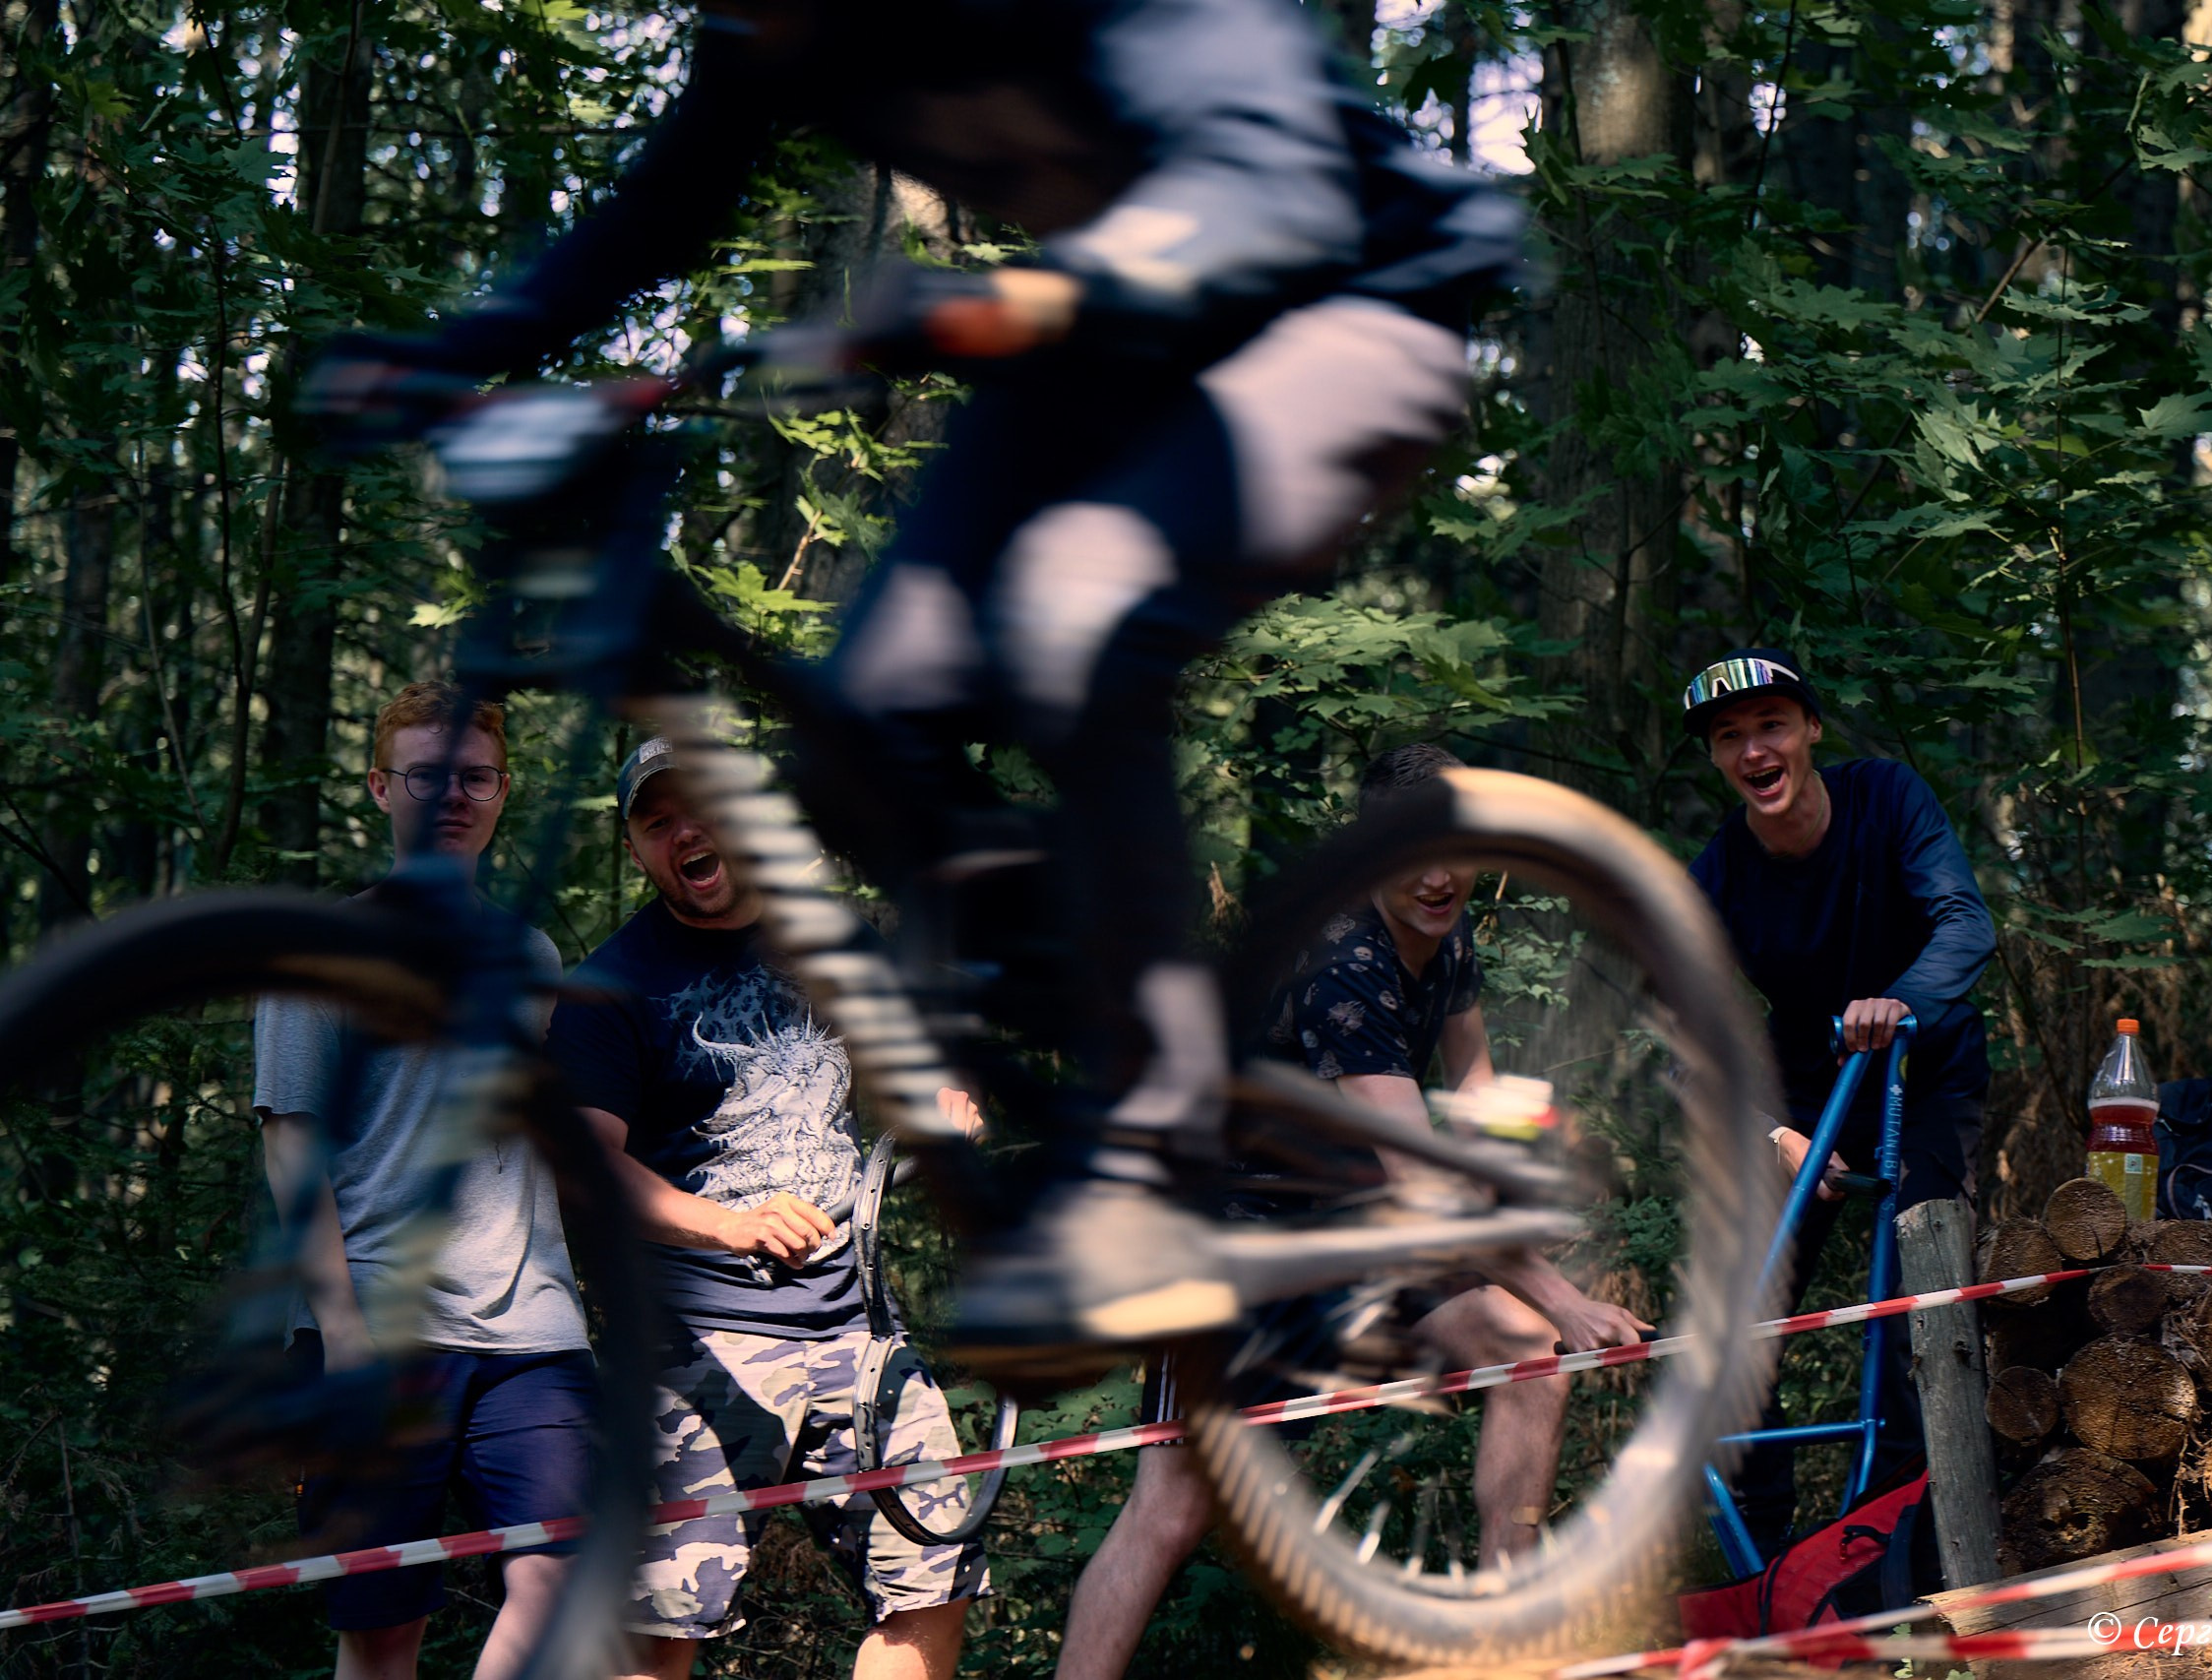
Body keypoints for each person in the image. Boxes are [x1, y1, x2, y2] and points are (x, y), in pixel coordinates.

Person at [308, 0, 1524, 1348]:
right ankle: (1084, 1037)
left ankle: (1156, 1146)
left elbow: (1261, 182)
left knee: (1076, 610)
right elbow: (648, 219)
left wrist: (1016, 297)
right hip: (1115, 349)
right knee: (857, 733)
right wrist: (436, 359)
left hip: (1352, 301)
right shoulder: (773, 34)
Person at [1053, 743, 1649, 1680]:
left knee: (1525, 1353)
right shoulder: (1341, 967)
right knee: (1170, 1509)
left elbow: (1478, 1092)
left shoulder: (1448, 938)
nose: (1441, 875)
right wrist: (1561, 1291)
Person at [543, 738, 989, 1680]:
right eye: (656, 820)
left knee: (934, 1578)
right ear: (635, 847)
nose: (685, 832)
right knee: (657, 1625)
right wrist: (729, 1225)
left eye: (700, 806)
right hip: (691, 1343)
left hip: (857, 1326)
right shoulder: (607, 988)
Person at [252, 681, 589, 1680]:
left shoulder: (534, 958)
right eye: (426, 775)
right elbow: (290, 1149)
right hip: (374, 1332)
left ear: (501, 792)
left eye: (475, 777)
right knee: (384, 1630)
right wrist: (345, 1339)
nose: (452, 795)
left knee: (560, 1583)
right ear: (379, 787)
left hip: (532, 1333)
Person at [1679, 650, 1996, 1561]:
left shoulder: (1886, 798)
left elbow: (1964, 919)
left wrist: (1899, 1000)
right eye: (1730, 737)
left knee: (1919, 1306)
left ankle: (1903, 1553)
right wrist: (1776, 1135)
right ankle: (1769, 1565)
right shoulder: (1716, 878)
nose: (1754, 751)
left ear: (1811, 728)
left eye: (1771, 725)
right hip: (1800, 1093)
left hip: (1921, 1069)